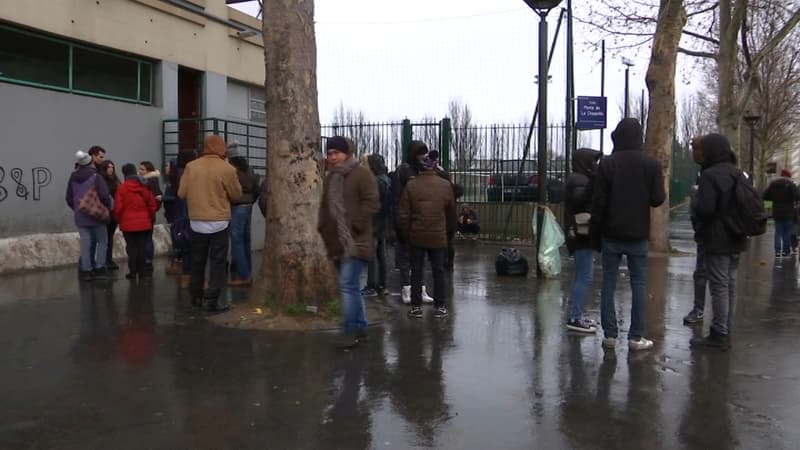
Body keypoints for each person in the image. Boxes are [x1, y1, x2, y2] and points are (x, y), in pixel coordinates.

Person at [590, 118, 666, 351]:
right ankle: (636, 337)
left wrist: (596, 232)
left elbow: (599, 202)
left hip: (611, 233)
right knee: (639, 283)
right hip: (637, 233)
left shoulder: (607, 164)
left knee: (609, 284)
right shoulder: (651, 165)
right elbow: (657, 199)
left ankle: (610, 335)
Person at [318, 136, 379, 348]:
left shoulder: (361, 173)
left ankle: (351, 331)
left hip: (356, 241)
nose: (333, 157)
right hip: (336, 241)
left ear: (347, 153)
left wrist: (357, 225)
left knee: (347, 285)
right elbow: (325, 207)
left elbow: (371, 201)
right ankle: (360, 328)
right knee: (350, 286)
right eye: (330, 152)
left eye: (337, 152)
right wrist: (322, 227)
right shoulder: (330, 178)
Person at [690, 133, 748, 350]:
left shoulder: (710, 175)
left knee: (719, 286)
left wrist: (695, 199)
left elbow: (705, 209)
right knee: (730, 284)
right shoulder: (738, 173)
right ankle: (725, 328)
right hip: (737, 236)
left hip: (717, 238)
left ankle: (719, 333)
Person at [178, 135, 242, 312]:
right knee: (218, 262)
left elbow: (181, 193)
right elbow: (236, 195)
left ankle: (195, 297)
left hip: (196, 221)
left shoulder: (191, 166)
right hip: (219, 221)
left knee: (197, 260)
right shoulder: (227, 168)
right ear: (222, 148)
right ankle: (212, 299)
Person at [399, 153, 456, 318]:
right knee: (438, 270)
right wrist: (447, 230)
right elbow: (451, 212)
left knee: (416, 270)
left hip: (416, 234)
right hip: (438, 234)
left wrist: (406, 233)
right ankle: (439, 305)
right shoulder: (445, 185)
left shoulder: (411, 185)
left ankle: (416, 306)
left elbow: (404, 214)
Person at [564, 148, 602, 333]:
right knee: (584, 276)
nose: (595, 165)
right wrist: (594, 182)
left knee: (583, 275)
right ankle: (575, 317)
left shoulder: (578, 179)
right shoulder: (579, 180)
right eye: (592, 161)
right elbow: (581, 201)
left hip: (579, 234)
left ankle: (576, 314)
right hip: (581, 234)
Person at [393, 140, 435, 304]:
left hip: (421, 220)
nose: (422, 156)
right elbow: (397, 198)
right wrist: (398, 223)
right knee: (405, 258)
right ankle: (406, 289)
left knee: (420, 258)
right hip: (406, 219)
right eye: (419, 153)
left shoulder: (424, 169)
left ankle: (421, 289)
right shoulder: (403, 170)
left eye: (424, 153)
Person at [66, 150, 113, 281]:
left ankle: (86, 270)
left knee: (85, 243)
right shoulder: (96, 176)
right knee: (102, 241)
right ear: (90, 162)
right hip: (97, 216)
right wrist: (106, 209)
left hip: (81, 216)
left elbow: (68, 198)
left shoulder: (73, 177)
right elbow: (104, 195)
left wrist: (78, 209)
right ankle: (100, 268)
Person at [114, 164, 157, 281]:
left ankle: (133, 272)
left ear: (124, 174)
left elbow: (118, 207)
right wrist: (149, 217)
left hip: (128, 224)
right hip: (144, 223)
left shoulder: (122, 188)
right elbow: (152, 205)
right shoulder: (144, 187)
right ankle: (142, 272)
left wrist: (119, 220)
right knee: (142, 247)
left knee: (132, 248)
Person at [227, 141, 261, 286]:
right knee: (246, 240)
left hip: (237, 206)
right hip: (248, 206)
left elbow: (230, 188)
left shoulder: (231, 170)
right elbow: (256, 188)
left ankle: (244, 275)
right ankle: (247, 271)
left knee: (237, 242)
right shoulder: (249, 169)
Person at [683, 136, 708, 326]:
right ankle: (718, 320)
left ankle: (703, 311)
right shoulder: (703, 172)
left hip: (712, 232)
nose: (693, 153)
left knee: (713, 276)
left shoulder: (709, 174)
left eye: (696, 149)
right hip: (708, 232)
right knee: (704, 274)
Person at [362, 153, 392, 297]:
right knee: (381, 255)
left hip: (373, 222)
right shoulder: (386, 179)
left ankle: (371, 286)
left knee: (372, 255)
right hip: (383, 223)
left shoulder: (374, 181)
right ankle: (382, 285)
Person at [762, 169, 800, 258]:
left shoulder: (773, 184)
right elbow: (797, 196)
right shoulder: (790, 185)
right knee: (787, 232)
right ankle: (786, 251)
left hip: (777, 211)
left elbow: (765, 196)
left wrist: (775, 199)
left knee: (778, 232)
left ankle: (777, 252)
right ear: (788, 177)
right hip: (788, 211)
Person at [138, 161, 163, 273]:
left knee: (146, 239)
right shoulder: (151, 180)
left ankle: (147, 261)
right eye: (140, 169)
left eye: (142, 169)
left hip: (147, 214)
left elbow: (157, 198)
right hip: (148, 214)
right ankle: (147, 261)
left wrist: (151, 209)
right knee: (147, 238)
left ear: (148, 170)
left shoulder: (150, 181)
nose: (140, 171)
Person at [97, 160, 121, 271]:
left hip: (114, 213)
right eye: (108, 167)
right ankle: (104, 261)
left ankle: (109, 259)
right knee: (104, 238)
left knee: (110, 237)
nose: (111, 169)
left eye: (112, 167)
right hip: (105, 212)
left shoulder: (116, 180)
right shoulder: (101, 181)